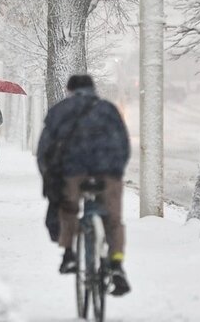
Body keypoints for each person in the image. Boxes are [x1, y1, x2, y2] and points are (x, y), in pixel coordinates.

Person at [37, 74, 131, 296]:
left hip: (73, 172)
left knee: (68, 208)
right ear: (93, 88)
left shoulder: (59, 111)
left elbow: (45, 150)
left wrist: (50, 177)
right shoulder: (108, 109)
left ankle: (69, 254)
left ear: (69, 90)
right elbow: (123, 144)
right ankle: (116, 265)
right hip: (107, 173)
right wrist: (115, 171)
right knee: (114, 220)